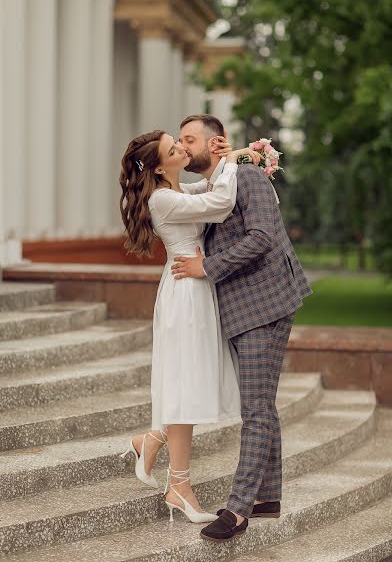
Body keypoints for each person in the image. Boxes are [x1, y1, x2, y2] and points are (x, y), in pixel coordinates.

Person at [171, 114, 313, 542]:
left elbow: (261, 238)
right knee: (262, 404)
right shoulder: (219, 182)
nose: (183, 146)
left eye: (189, 139)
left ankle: (237, 510)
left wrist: (205, 267)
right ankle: (268, 495)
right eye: (179, 140)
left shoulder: (247, 177)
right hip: (242, 308)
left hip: (265, 304)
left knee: (255, 408)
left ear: (215, 143)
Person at [119, 129, 262, 524]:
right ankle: (177, 483)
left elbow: (211, 183)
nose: (182, 147)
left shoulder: (178, 191)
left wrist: (242, 153)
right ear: (161, 166)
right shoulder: (162, 199)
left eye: (180, 141)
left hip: (196, 289)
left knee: (191, 381)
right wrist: (232, 164)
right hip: (185, 294)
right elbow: (220, 201)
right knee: (186, 382)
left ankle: (156, 446)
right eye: (173, 148)